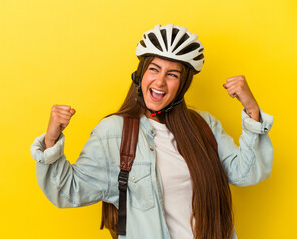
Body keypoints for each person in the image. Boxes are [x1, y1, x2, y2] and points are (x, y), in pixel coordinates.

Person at [30, 24, 274, 239]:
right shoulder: (114, 132)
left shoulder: (203, 125)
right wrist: (52, 139)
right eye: (154, 69)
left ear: (183, 84)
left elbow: (248, 173)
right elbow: (67, 192)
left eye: (172, 74)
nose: (160, 82)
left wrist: (251, 109)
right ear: (140, 74)